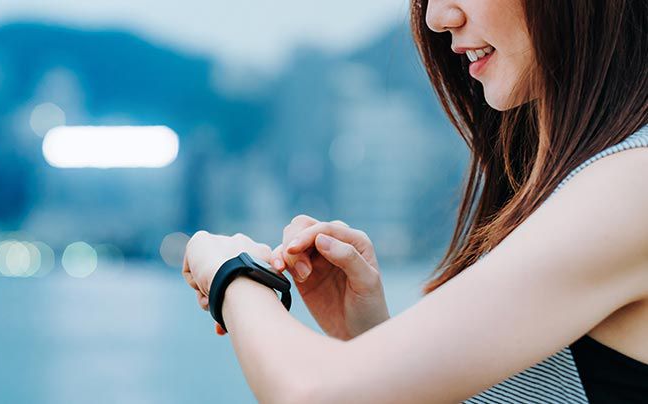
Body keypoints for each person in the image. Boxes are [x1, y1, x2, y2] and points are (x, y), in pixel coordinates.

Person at [181, 0, 648, 402]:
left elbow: (313, 392)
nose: (437, 17)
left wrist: (232, 273)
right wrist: (372, 341)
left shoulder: (631, 185)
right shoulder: (586, 183)